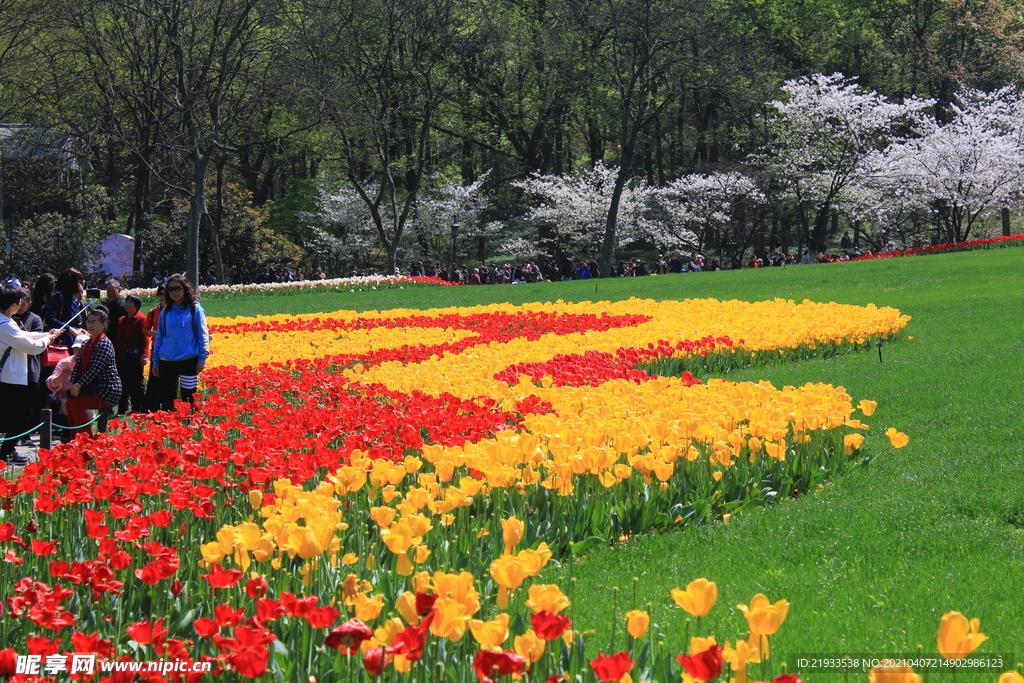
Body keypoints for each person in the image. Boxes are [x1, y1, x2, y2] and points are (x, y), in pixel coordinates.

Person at [1, 284, 60, 465]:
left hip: (9, 376)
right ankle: (6, 453)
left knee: (15, 415)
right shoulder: (4, 325)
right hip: (9, 376)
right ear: (13, 305)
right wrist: (46, 340)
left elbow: (23, 336)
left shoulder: (6, 323)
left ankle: (8, 451)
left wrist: (43, 334)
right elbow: (30, 347)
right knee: (21, 415)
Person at [151, 274, 209, 411]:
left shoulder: (195, 310)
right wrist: (155, 361)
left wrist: (202, 358)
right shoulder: (166, 312)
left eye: (177, 288)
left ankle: (188, 427)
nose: (174, 292)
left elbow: (203, 335)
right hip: (167, 360)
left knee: (189, 397)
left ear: (185, 288)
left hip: (188, 360)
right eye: (170, 290)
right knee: (166, 398)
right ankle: (166, 428)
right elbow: (160, 337)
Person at [65, 309, 121, 440]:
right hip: (90, 386)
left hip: (107, 389)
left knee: (76, 404)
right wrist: (72, 384)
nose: (90, 325)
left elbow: (95, 369)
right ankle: (75, 439)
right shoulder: (86, 343)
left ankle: (86, 442)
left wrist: (78, 385)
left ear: (104, 325)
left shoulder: (104, 343)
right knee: (69, 403)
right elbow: (78, 366)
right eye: (88, 321)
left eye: (94, 322)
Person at [115, 294, 148, 414]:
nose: (127, 304)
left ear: (137, 306)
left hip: (134, 357)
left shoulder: (141, 319)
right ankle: (122, 408)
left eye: (130, 302)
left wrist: (144, 355)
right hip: (122, 356)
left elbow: (145, 339)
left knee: (135, 383)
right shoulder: (121, 320)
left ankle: (138, 408)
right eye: (126, 302)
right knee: (122, 383)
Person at [45, 268, 87, 348]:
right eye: (77, 282)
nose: (80, 285)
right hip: (61, 342)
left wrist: (79, 330)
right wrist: (69, 328)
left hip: (73, 342)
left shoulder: (73, 300)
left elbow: (75, 322)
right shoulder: (58, 297)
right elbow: (50, 319)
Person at [143, 285, 167, 411]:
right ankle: (152, 405)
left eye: (164, 294)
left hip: (169, 347)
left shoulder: (172, 311)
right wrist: (151, 333)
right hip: (157, 347)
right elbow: (145, 330)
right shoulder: (153, 312)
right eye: (160, 294)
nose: (162, 296)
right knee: (154, 376)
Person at [101, 279, 127, 345]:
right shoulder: (104, 305)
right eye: (108, 291)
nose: (110, 293)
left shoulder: (124, 306)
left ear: (119, 290)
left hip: (119, 338)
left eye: (113, 290)